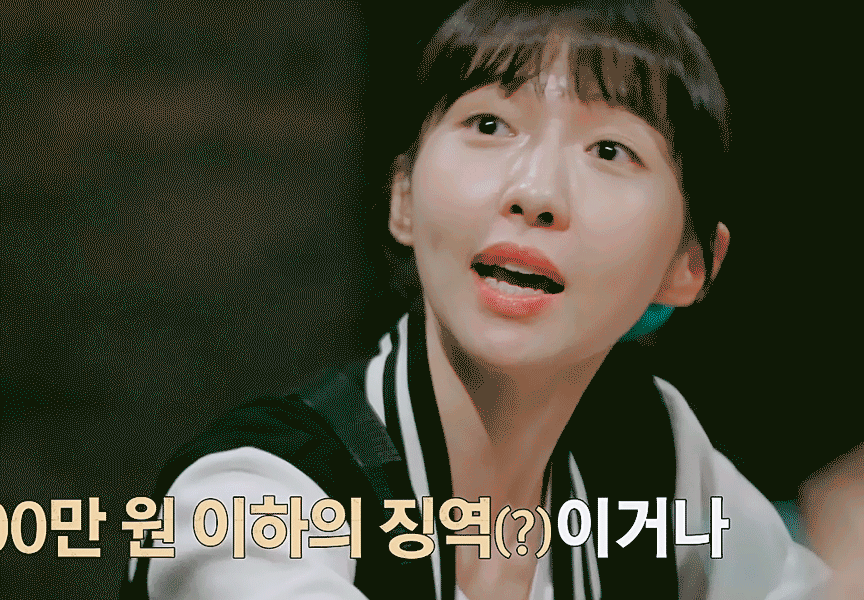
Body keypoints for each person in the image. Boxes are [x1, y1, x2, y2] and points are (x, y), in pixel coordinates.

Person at [121, 1, 832, 598]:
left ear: (689, 265)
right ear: (403, 197)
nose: (536, 192)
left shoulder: (650, 456)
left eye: (611, 150)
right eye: (489, 124)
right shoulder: (251, 497)